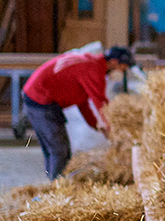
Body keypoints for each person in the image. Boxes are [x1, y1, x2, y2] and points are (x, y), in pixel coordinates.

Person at [22, 46, 135, 180]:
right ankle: (56, 187)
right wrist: (111, 127)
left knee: (54, 149)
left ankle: (53, 182)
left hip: (37, 96)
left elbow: (82, 102)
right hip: (41, 100)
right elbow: (101, 103)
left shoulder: (90, 63)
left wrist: (95, 124)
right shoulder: (94, 70)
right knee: (59, 150)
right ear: (114, 62)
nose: (123, 71)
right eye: (123, 67)